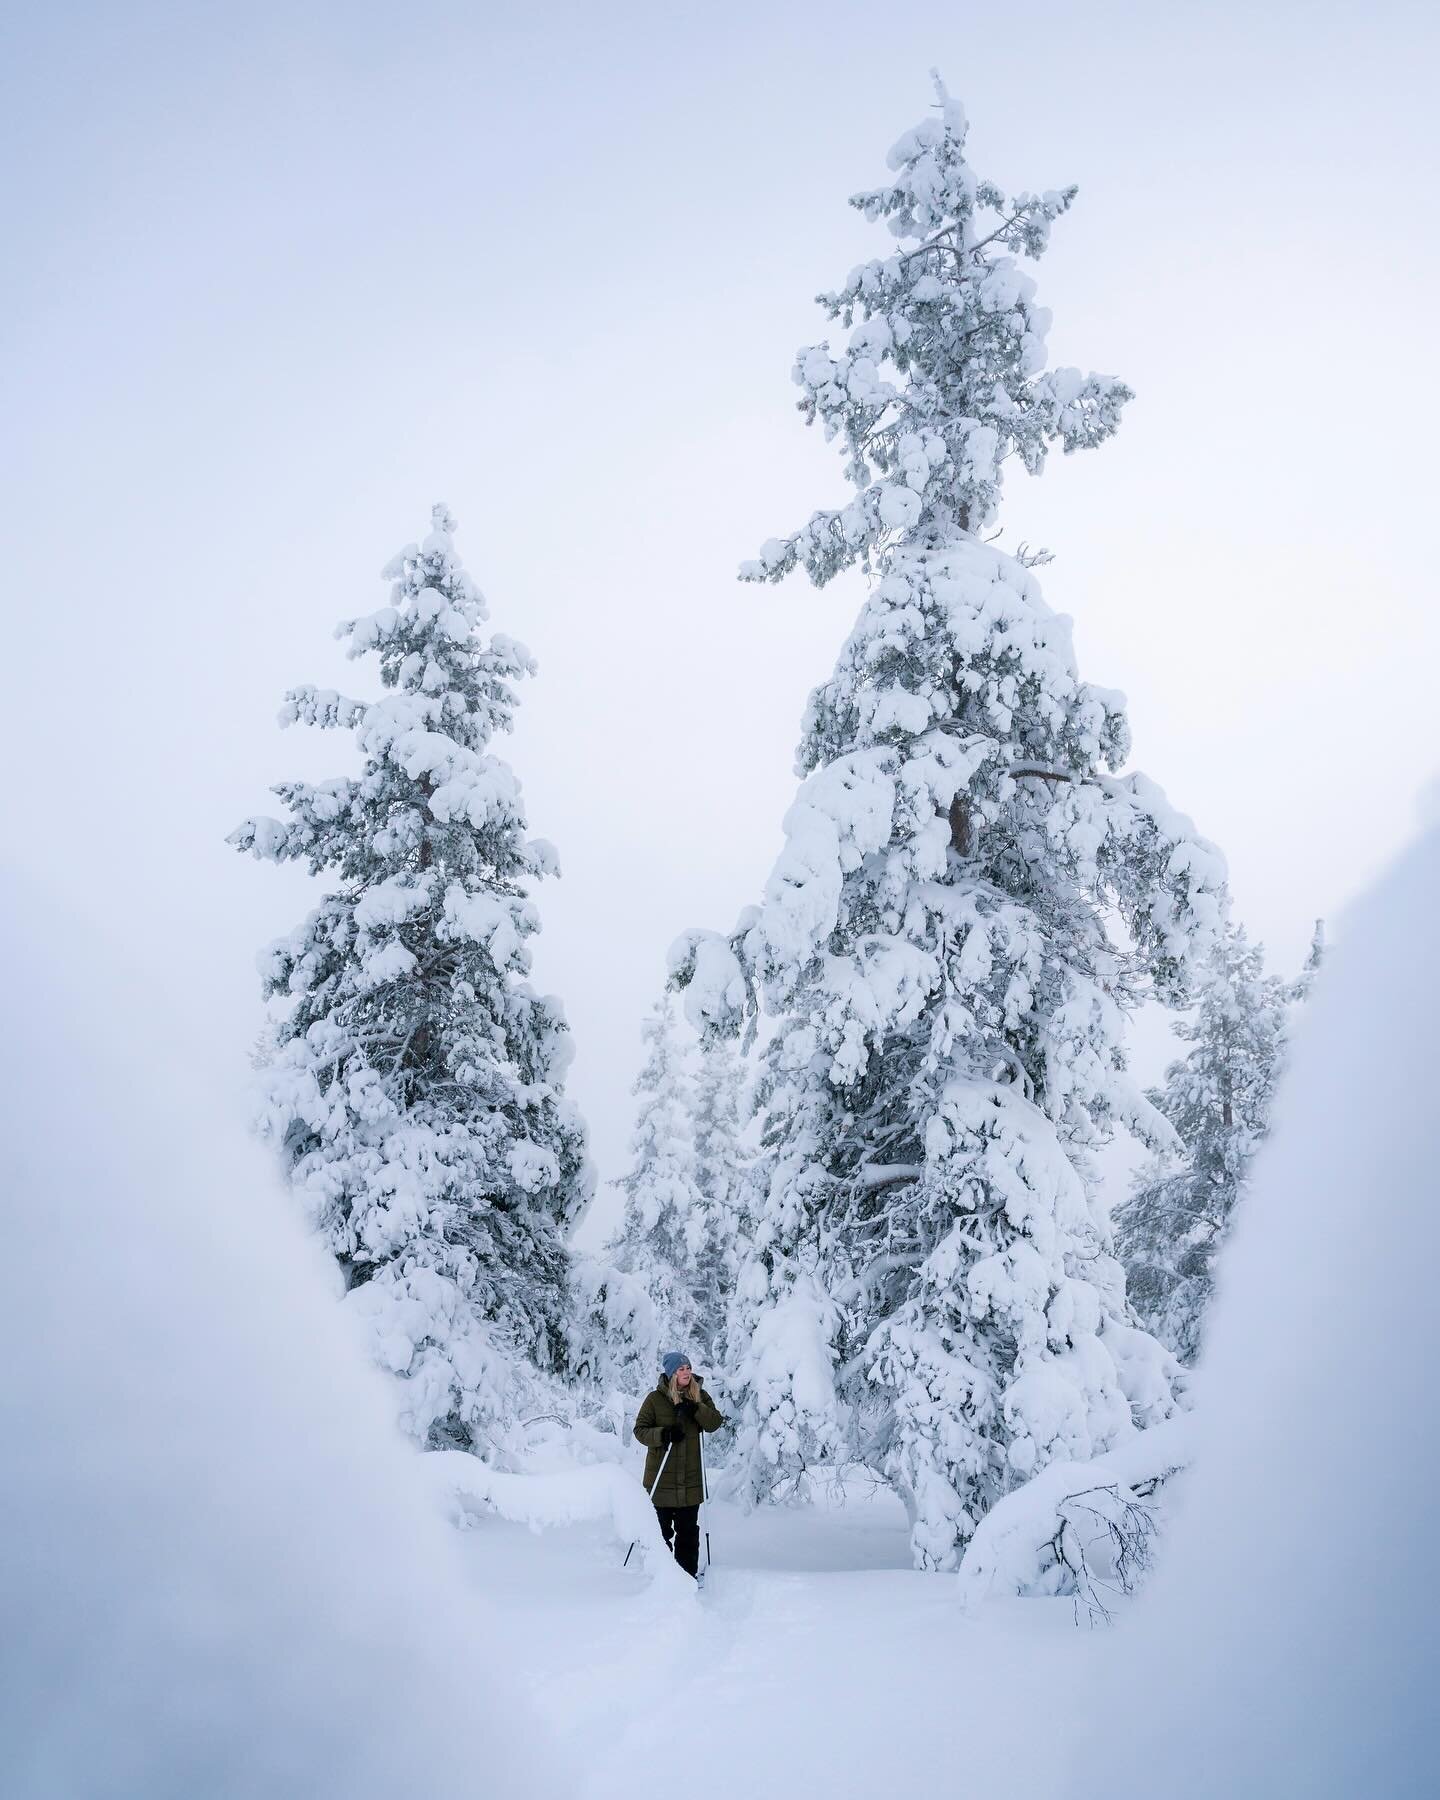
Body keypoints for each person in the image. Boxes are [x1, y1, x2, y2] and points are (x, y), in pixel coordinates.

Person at [632, 1351, 723, 1578]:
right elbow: (640, 1431)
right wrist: (664, 1434)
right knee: (660, 1533)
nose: (686, 1372)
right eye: (681, 1369)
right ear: (671, 1373)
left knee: (688, 1533)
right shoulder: (654, 1399)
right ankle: (662, 1577)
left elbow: (714, 1423)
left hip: (690, 1483)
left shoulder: (700, 1395)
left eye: (688, 1368)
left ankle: (686, 1578)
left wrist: (696, 1409)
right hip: (661, 1482)